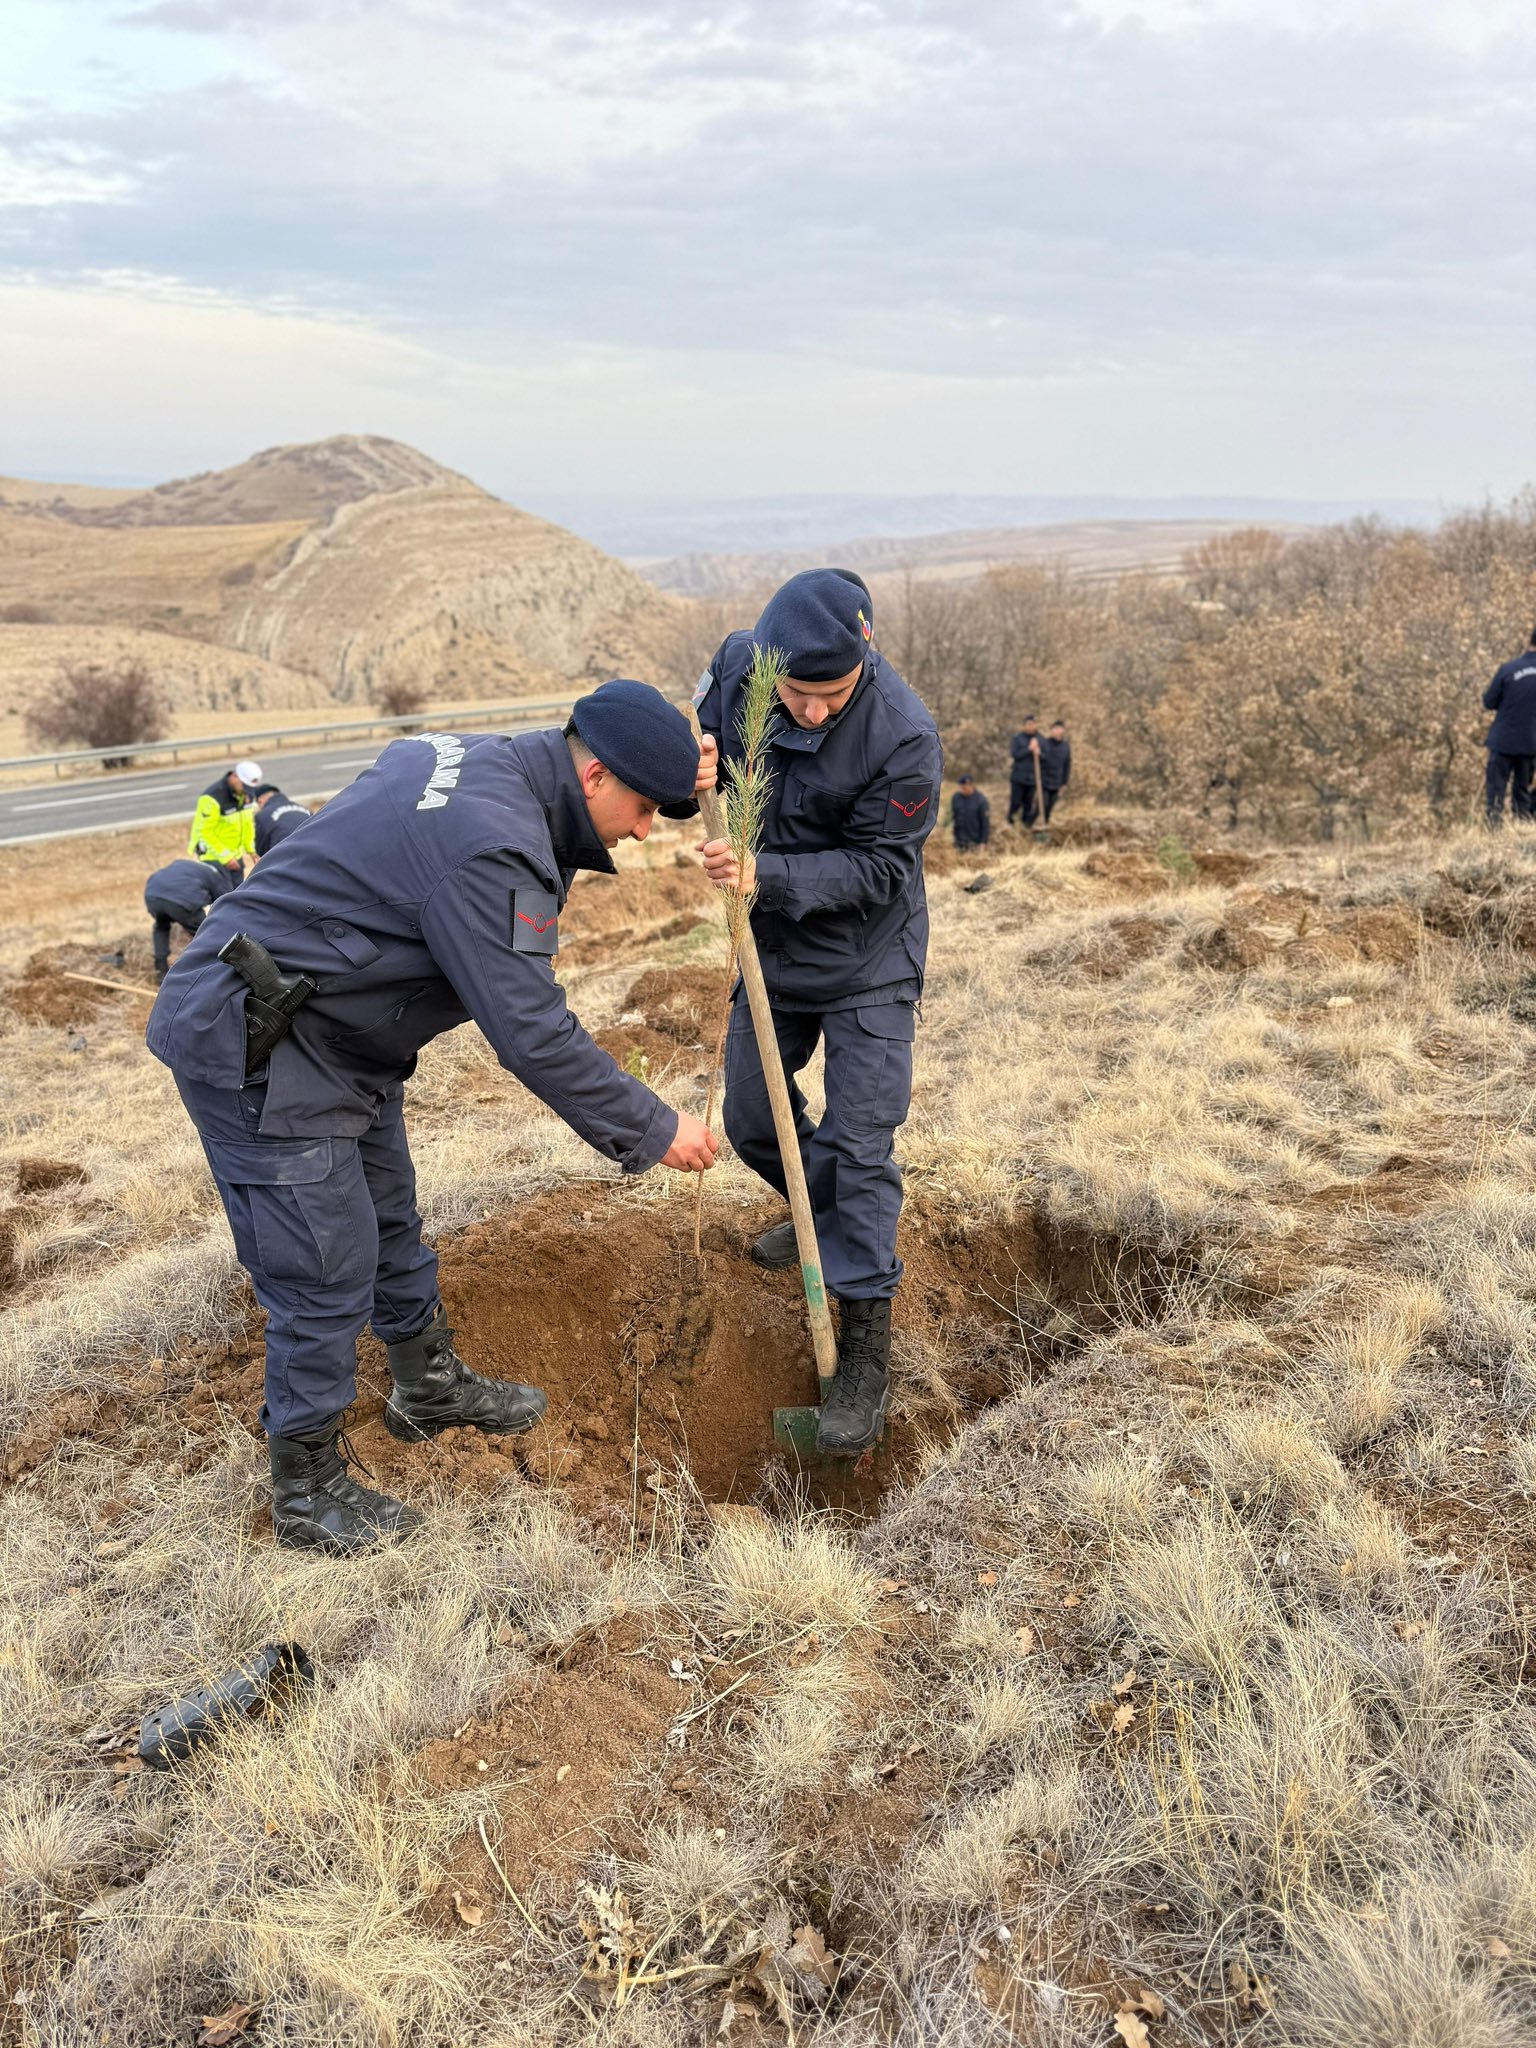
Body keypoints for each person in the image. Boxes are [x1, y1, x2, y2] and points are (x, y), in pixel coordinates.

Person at [148, 683, 720, 1556]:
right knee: (323, 1264)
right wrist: (650, 1127)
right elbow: (529, 1029)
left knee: (389, 1220)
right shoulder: (493, 845)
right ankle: (306, 1490)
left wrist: (679, 772)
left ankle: (427, 1385)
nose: (644, 831)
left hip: (337, 1036)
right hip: (259, 1040)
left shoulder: (482, 757)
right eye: (642, 807)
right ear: (595, 771)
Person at [696, 568, 943, 1456]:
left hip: (870, 955)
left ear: (865, 654)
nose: (808, 712)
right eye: (794, 696)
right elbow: (708, 728)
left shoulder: (904, 736)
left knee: (863, 1137)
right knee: (754, 1120)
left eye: (828, 696)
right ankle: (819, 1211)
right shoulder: (739, 672)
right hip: (773, 952)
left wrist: (773, 876)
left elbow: (883, 870)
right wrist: (696, 755)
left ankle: (866, 1349)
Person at [143, 855, 240, 982]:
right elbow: (226, 904)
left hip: (153, 895)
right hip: (182, 899)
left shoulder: (186, 864)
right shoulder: (216, 874)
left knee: (161, 927)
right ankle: (208, 972)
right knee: (206, 934)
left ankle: (160, 971)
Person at [1483, 628, 1536, 825]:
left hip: (1502, 740)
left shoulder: (1508, 669)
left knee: (1495, 793)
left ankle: (1493, 834)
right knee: (1522, 793)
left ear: (1529, 641)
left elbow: (1489, 702)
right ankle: (1521, 834)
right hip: (1530, 743)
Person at [188, 759, 261, 872]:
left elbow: (247, 824)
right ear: (235, 776)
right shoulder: (211, 798)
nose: (246, 791)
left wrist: (251, 850)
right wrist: (225, 857)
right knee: (224, 890)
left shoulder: (246, 795)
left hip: (235, 857)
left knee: (238, 889)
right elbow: (205, 832)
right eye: (244, 786)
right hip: (213, 858)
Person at [252, 784, 312, 857]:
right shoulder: (306, 810)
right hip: (314, 852)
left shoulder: (262, 815)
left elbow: (261, 849)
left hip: (285, 857)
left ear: (260, 801)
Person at [1007, 718, 1041, 826]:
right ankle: (1010, 823)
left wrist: (1039, 752)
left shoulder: (1041, 739)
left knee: (1028, 804)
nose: (1030, 726)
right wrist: (1029, 749)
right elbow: (1015, 754)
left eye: (1033, 724)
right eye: (1028, 724)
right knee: (1015, 802)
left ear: (1036, 725)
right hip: (1018, 777)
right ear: (1024, 725)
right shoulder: (1017, 738)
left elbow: (1046, 757)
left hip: (1032, 779)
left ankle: (1025, 826)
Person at [1036, 720, 1072, 822]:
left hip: (1057, 781)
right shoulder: (1045, 743)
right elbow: (1041, 760)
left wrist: (1064, 782)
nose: (1055, 731)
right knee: (1043, 804)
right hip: (1044, 780)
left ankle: (1045, 824)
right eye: (1053, 729)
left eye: (1057, 729)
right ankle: (1029, 824)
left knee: (1050, 806)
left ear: (1062, 731)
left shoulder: (1065, 746)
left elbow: (1067, 764)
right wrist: (1038, 754)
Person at [950, 775, 990, 850]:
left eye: (964, 788)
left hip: (974, 842)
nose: (961, 790)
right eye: (960, 787)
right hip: (959, 840)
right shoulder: (956, 798)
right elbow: (953, 816)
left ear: (971, 785)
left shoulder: (981, 800)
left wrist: (983, 842)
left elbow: (985, 823)